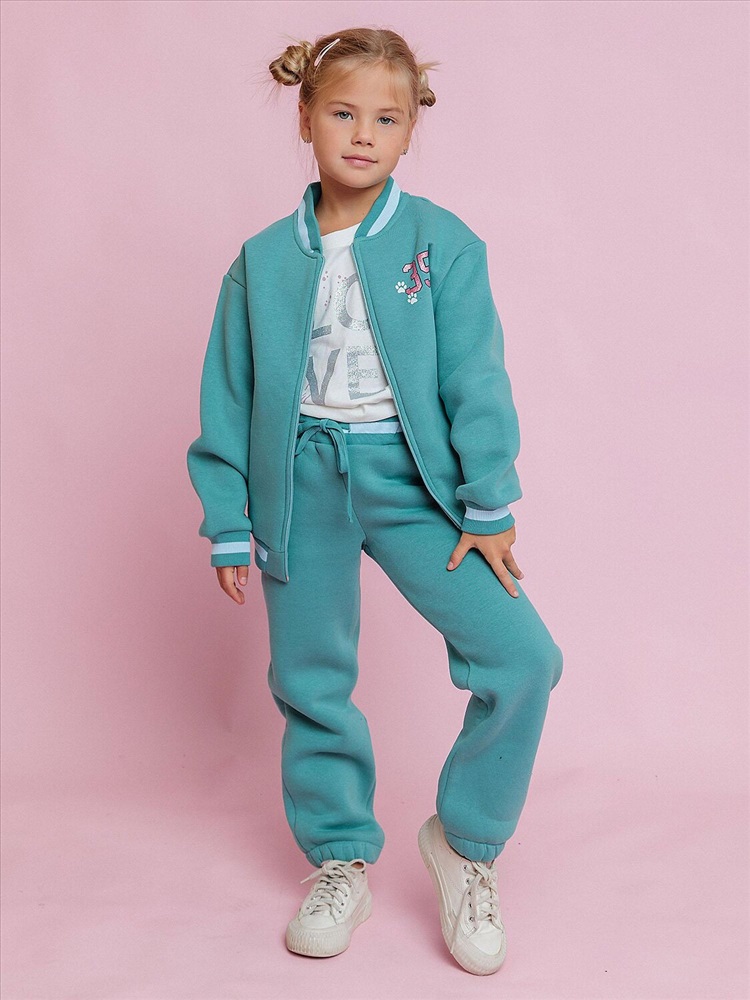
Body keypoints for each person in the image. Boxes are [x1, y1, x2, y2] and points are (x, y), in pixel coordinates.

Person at [186, 26, 564, 977]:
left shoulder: (443, 244)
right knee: (310, 681)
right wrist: (229, 517)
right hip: (299, 482)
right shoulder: (261, 260)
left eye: (386, 119)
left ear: (409, 133)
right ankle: (339, 858)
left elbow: (476, 378)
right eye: (344, 113)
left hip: (412, 480)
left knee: (523, 657)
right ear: (306, 120)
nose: (364, 134)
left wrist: (488, 501)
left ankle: (464, 843)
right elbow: (228, 394)